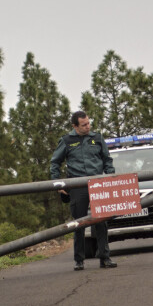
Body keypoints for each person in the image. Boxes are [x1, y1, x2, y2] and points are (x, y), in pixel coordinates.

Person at [50, 111, 118, 271]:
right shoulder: (67, 141)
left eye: (88, 123)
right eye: (84, 125)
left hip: (98, 184)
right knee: (79, 223)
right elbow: (55, 162)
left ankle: (105, 258)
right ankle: (79, 260)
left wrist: (111, 177)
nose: (88, 127)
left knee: (102, 221)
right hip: (77, 186)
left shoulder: (97, 138)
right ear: (75, 126)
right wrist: (58, 185)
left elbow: (107, 160)